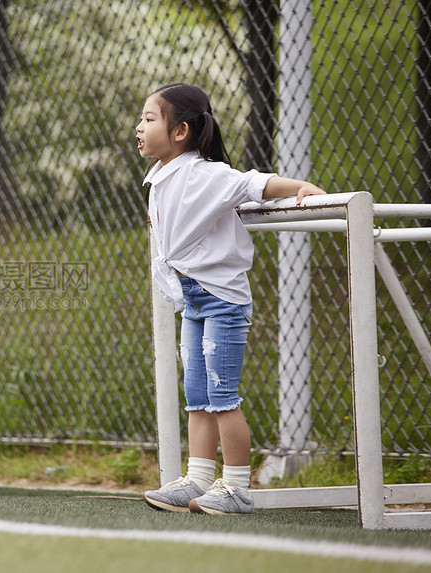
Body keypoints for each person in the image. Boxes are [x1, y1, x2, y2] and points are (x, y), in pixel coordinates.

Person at [137, 83, 326, 515]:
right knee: (197, 393)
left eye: (149, 119)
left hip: (221, 299)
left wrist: (302, 186)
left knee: (222, 395)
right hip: (193, 300)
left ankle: (237, 487)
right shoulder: (162, 176)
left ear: (181, 130)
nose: (139, 127)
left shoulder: (203, 173)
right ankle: (198, 480)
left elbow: (251, 184)